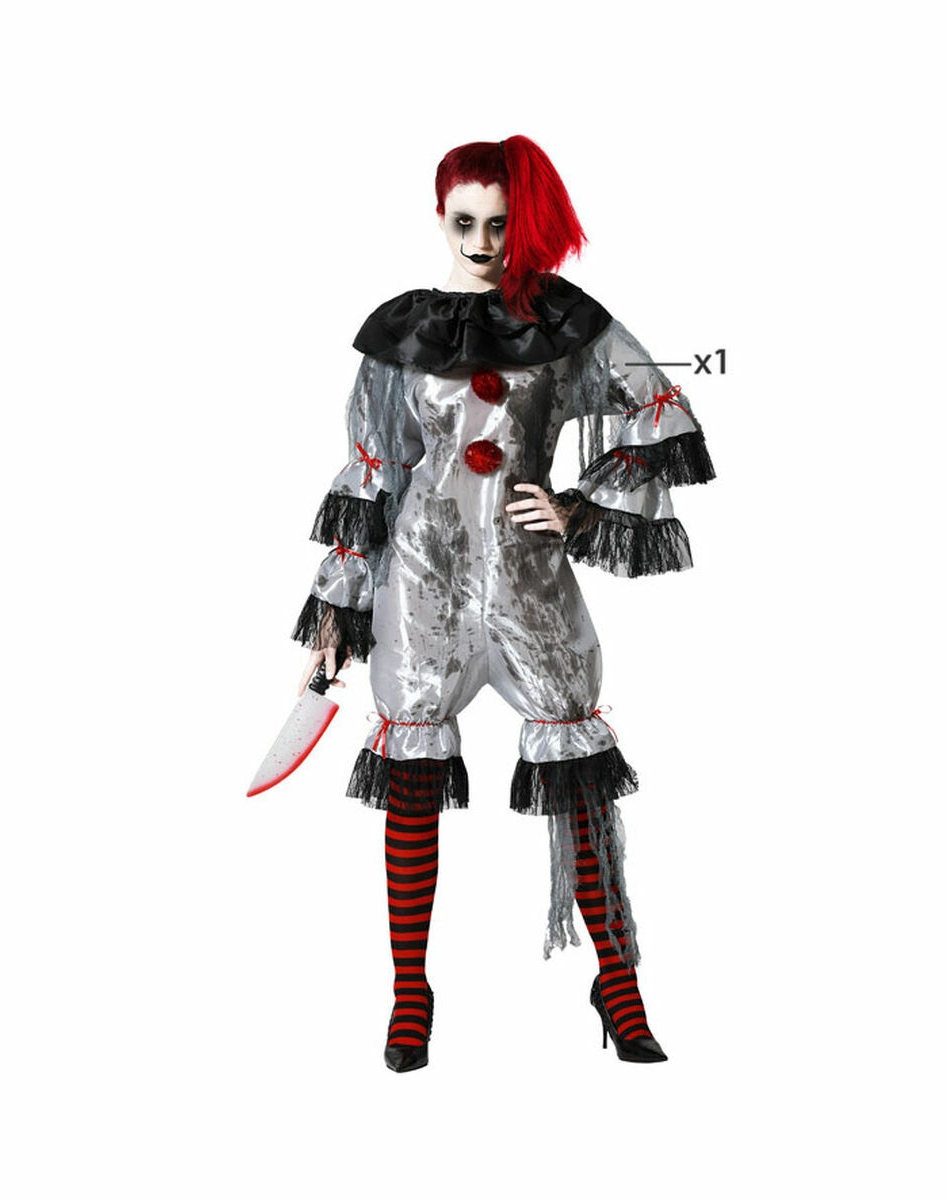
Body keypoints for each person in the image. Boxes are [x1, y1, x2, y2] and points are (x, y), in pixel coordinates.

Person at [290, 135, 716, 1072]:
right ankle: (410, 992)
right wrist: (335, 614)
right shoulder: (400, 331)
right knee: (411, 783)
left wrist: (577, 506)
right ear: (439, 215)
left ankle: (618, 980)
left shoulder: (561, 320)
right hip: (422, 585)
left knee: (579, 776)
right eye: (465, 222)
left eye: (499, 224)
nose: (482, 242)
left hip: (529, 583)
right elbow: (371, 470)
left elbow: (662, 408)